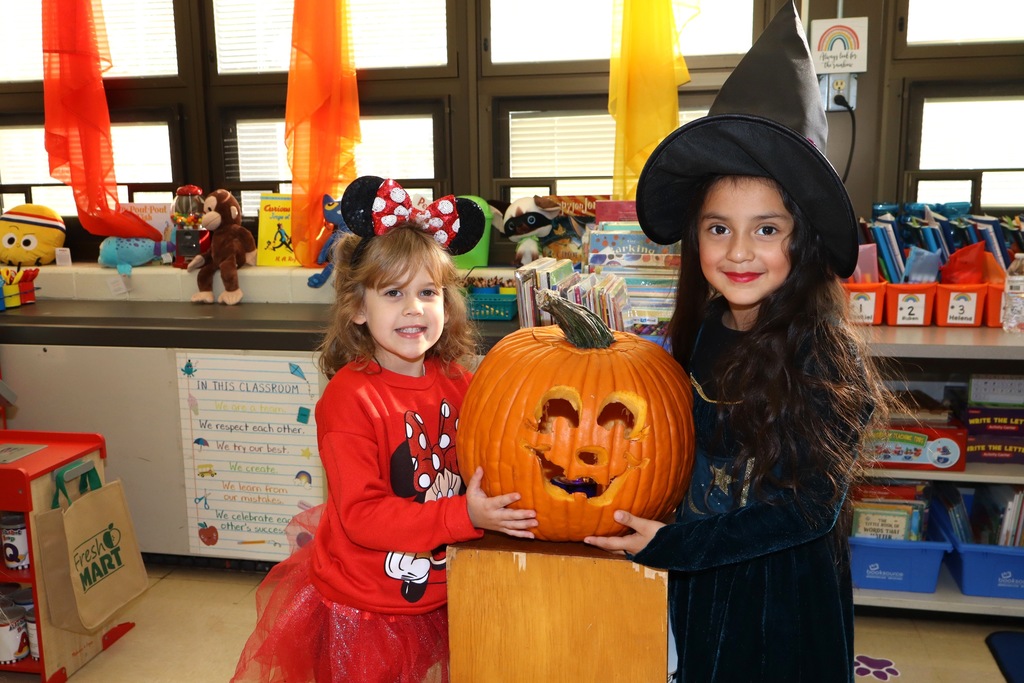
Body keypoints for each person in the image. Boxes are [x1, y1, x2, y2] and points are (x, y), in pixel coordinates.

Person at [584, 4, 895, 682]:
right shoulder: (700, 334)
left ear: (801, 237)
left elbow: (809, 509)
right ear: (695, 239)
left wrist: (681, 546)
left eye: (766, 228)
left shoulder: (825, 353)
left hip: (781, 604)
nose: (739, 251)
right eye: (719, 228)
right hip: (703, 584)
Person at [232, 176, 537, 683]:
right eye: (393, 292)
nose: (414, 308)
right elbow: (364, 516)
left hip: (447, 588)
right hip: (369, 605)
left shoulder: (460, 382)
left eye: (428, 292)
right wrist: (465, 513)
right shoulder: (350, 401)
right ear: (357, 307)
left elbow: (494, 450)